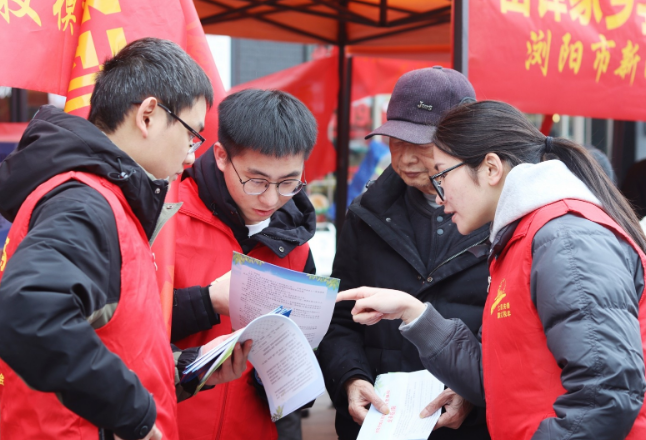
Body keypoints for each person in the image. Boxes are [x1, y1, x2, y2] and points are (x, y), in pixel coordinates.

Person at [338, 100, 646, 440]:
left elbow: (607, 394)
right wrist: (415, 315)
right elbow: (497, 376)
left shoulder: (565, 238)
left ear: (490, 169)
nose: (438, 197)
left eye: (441, 175)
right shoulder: (524, 236)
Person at [0, 38, 251, 440]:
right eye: (191, 134)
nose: (191, 156)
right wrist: (131, 412)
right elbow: (29, 313)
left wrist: (187, 369)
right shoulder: (86, 202)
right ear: (149, 115)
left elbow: (113, 341)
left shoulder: (108, 200)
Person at [317, 66, 491, 440]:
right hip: (381, 421)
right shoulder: (366, 214)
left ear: (465, 140)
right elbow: (337, 317)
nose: (406, 159)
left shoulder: (502, 220)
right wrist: (351, 378)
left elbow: (515, 337)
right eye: (397, 141)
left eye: (422, 145)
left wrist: (474, 390)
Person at [168, 89, 318, 440]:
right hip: (171, 424)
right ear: (221, 156)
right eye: (256, 180)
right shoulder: (168, 217)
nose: (270, 198)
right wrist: (207, 301)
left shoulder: (295, 242)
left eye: (288, 182)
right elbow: (129, 327)